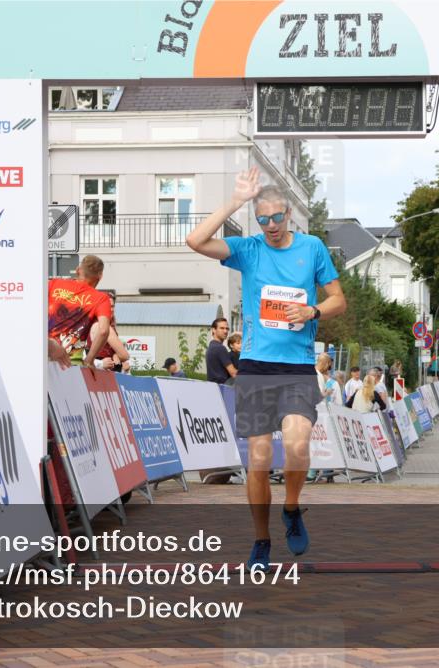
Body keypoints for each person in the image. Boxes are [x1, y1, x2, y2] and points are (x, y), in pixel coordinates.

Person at [185, 166, 346, 571]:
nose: (271, 226)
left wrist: (312, 309)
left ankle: (291, 507)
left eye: (276, 218)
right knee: (258, 458)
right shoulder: (250, 249)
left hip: (295, 367)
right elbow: (194, 240)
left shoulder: (311, 248)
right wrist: (236, 201)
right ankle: (261, 541)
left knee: (296, 445)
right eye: (263, 219)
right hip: (255, 366)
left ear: (288, 213)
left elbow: (338, 301)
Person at [47, 255, 112, 368]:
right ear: (100, 276)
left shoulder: (53, 284)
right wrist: (89, 359)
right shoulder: (101, 298)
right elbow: (103, 331)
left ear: (78, 270)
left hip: (44, 353)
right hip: (69, 362)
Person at [92, 293, 130, 372]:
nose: (111, 309)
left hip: (108, 370)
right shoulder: (102, 326)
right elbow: (124, 355)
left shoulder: (108, 325)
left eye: (112, 306)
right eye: (108, 306)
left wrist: (116, 355)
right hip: (101, 371)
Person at [205, 318, 237, 384]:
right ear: (213, 330)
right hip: (222, 389)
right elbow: (234, 374)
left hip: (214, 388)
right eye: (222, 328)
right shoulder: (220, 348)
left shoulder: (211, 346)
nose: (225, 331)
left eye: (227, 328)